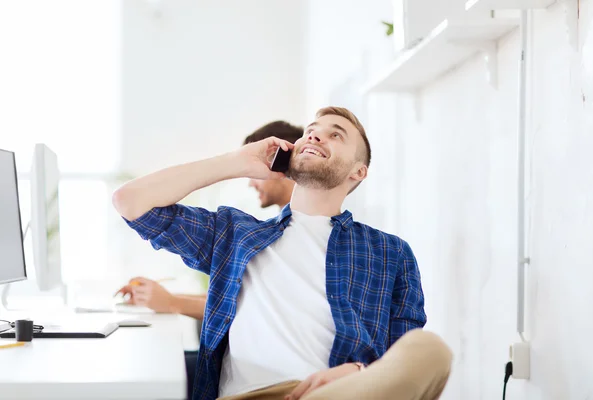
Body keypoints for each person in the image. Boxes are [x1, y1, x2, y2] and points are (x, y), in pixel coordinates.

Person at [112, 107, 452, 400]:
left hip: (338, 394)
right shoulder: (236, 235)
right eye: (311, 132)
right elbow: (130, 202)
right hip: (250, 396)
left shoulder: (390, 252)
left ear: (358, 172)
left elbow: (402, 354)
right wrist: (237, 162)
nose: (316, 137)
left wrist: (360, 371)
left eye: (336, 135)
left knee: (431, 350)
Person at [114, 120, 304, 400]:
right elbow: (130, 201)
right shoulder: (255, 234)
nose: (251, 182)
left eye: (258, 169)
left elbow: (257, 306)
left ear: (282, 166)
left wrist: (172, 302)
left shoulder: (306, 245)